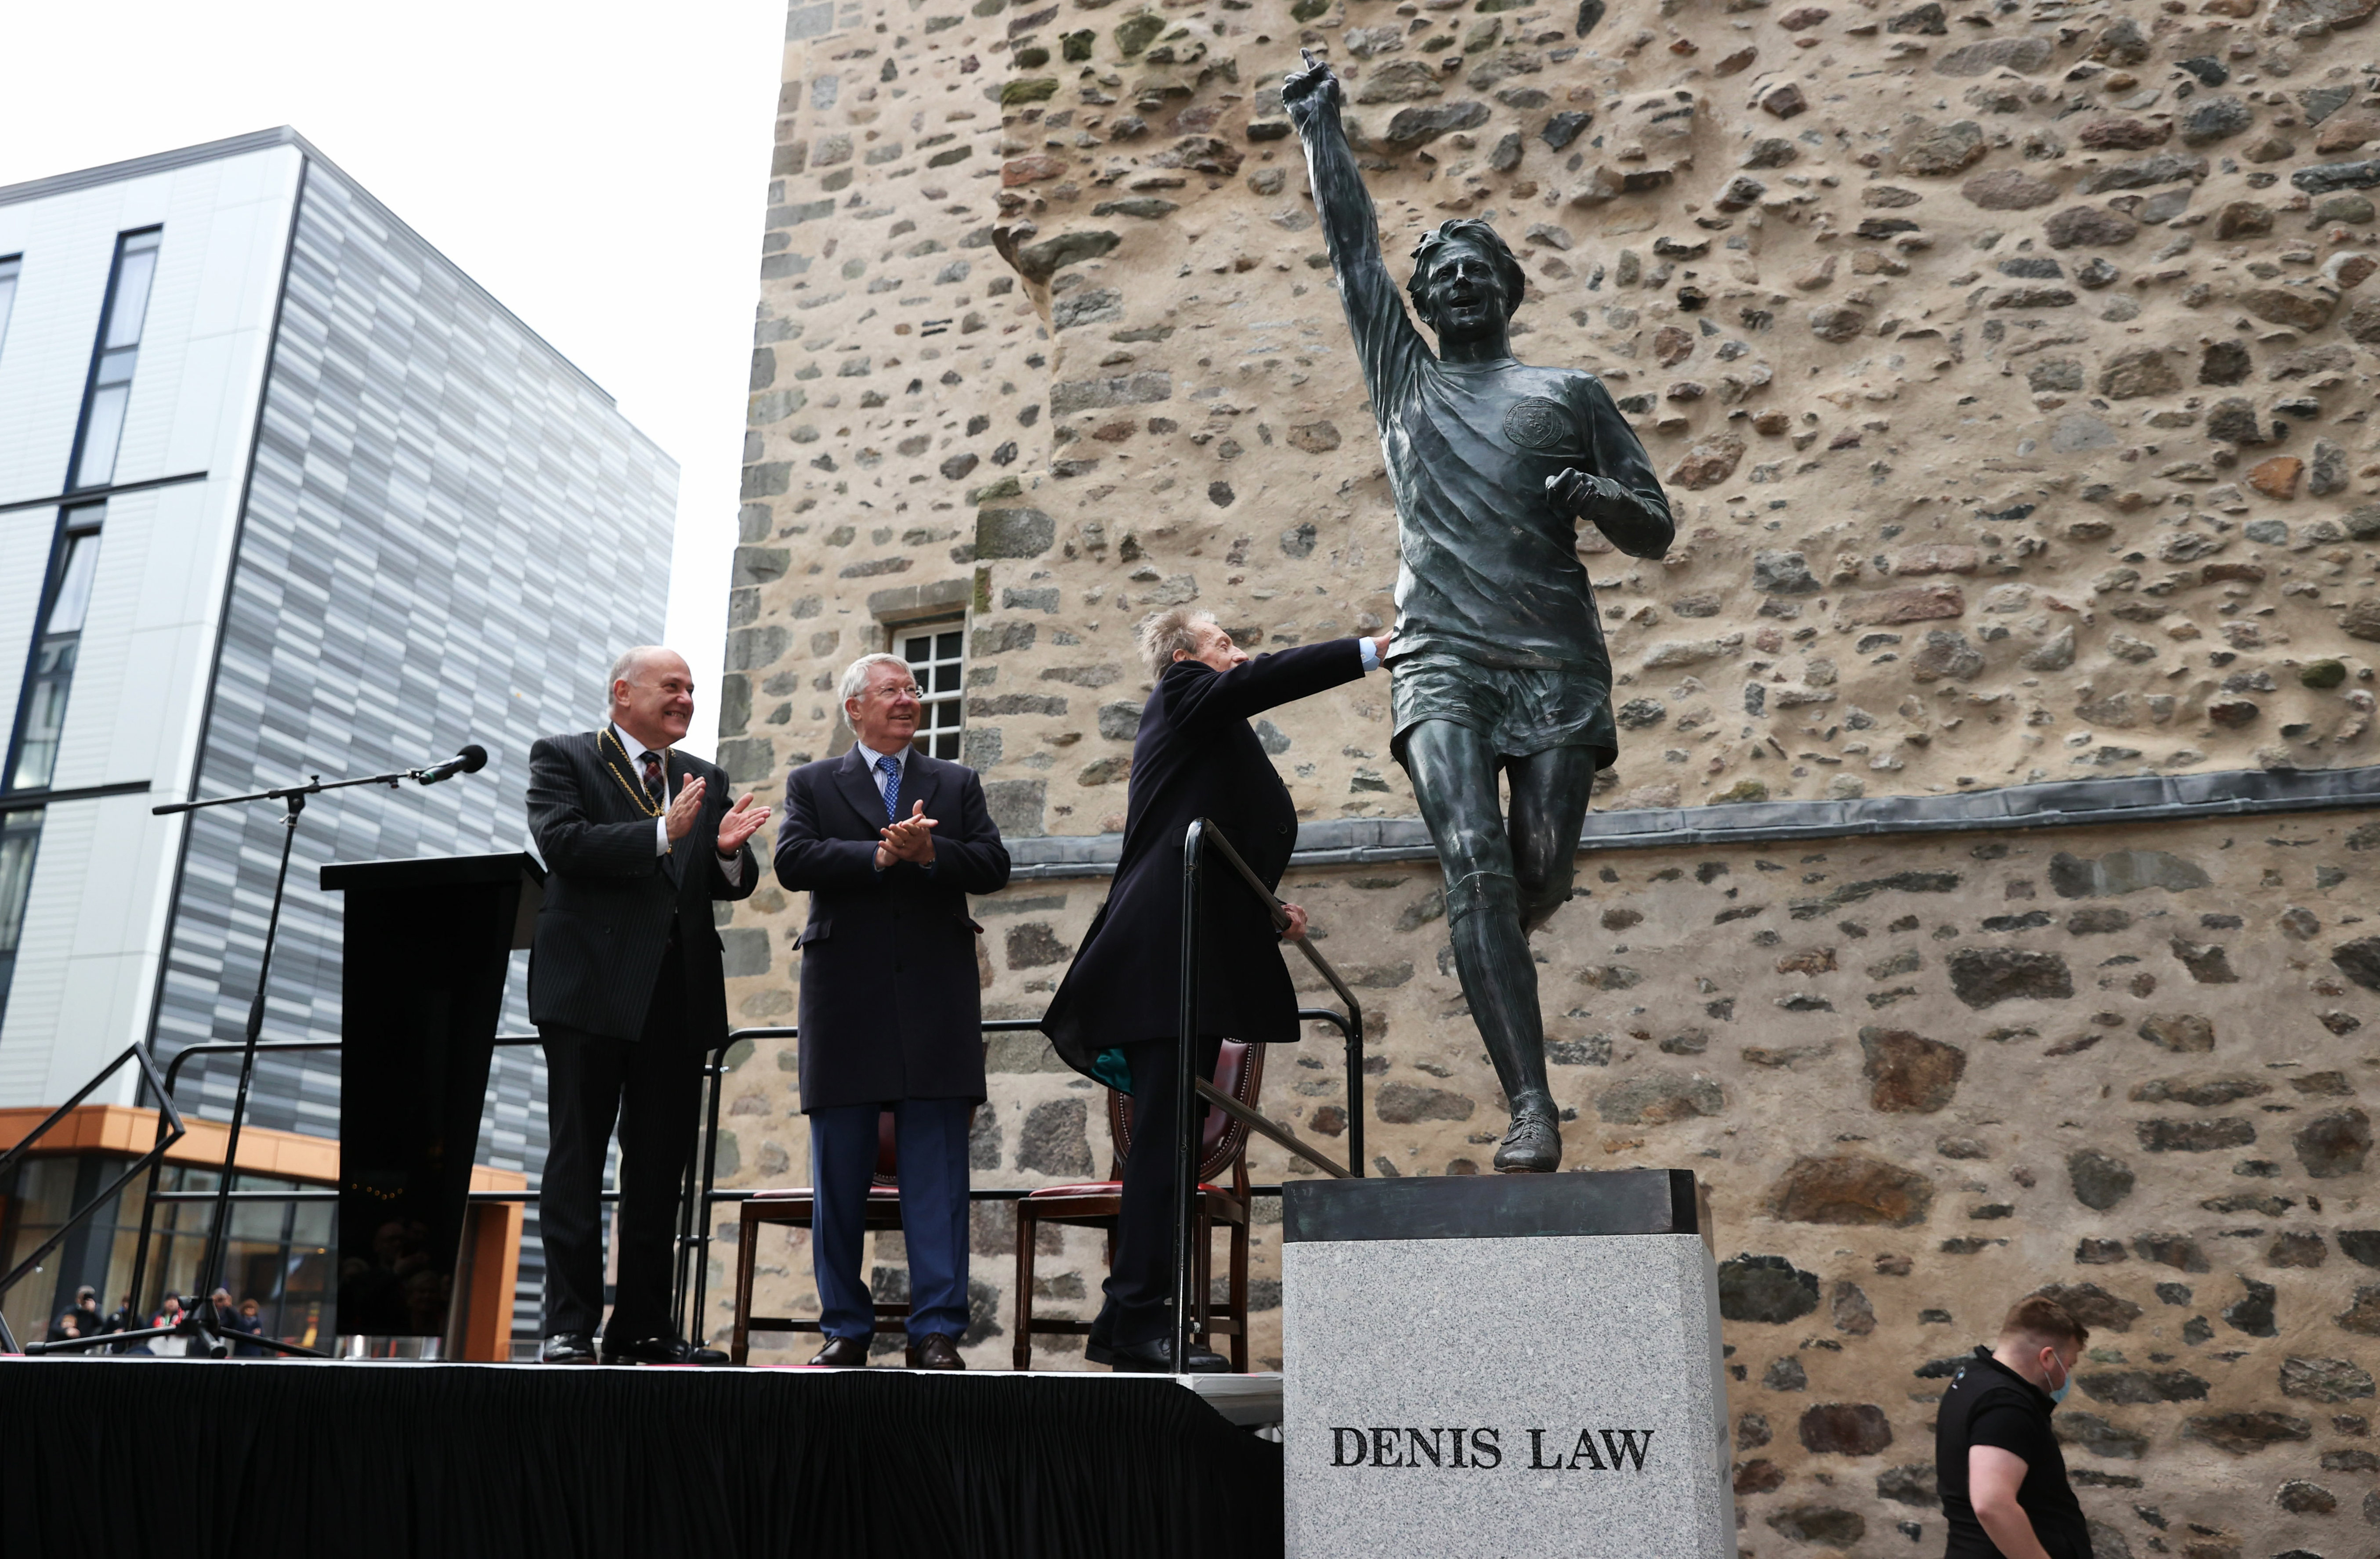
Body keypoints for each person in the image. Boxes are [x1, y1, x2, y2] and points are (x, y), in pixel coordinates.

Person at [1284, 50, 1676, 1172]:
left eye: (1476, 271)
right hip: (1442, 652)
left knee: (1536, 871)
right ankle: (1531, 1103)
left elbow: (1656, 525)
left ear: (1507, 291)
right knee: (1474, 860)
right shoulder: (1405, 381)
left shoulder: (1569, 395)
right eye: (1441, 273)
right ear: (1423, 301)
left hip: (1555, 657)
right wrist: (1322, 130)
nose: (1456, 284)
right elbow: (1353, 249)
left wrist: (1602, 496)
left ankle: (1493, 941)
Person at [1040, 610, 1387, 1371]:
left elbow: (1207, 829)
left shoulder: (1201, 718)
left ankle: (1127, 1322)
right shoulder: (1182, 689)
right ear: (1182, 656)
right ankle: (1136, 1322)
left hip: (1184, 950)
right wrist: (1369, 652)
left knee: (1170, 1145)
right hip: (1161, 956)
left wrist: (1267, 909)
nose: (1241, 653)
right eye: (1225, 643)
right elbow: (1255, 692)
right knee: (1164, 1147)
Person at [528, 646, 771, 1366]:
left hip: (676, 996)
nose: (686, 699)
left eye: (692, 689)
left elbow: (727, 882)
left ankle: (641, 1327)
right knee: (576, 1162)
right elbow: (562, 843)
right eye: (671, 687)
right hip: (588, 991)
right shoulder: (564, 757)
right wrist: (660, 835)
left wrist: (724, 851)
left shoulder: (705, 777)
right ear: (621, 693)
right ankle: (567, 1326)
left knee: (660, 1170)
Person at [774, 653, 1011, 1370]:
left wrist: (931, 850)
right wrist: (880, 857)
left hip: (934, 1003)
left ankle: (935, 1330)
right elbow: (793, 860)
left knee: (937, 1175)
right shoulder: (811, 784)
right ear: (855, 708)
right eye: (891, 691)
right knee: (839, 1178)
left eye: (912, 690)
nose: (908, 700)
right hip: (844, 1004)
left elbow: (993, 865)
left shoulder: (955, 782)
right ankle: (844, 1329)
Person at [1936, 1293, 2094, 1559]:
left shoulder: (1974, 1377)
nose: (2067, 1374)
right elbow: (1992, 1503)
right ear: (2047, 1358)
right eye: (2069, 1364)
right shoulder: (2006, 1407)